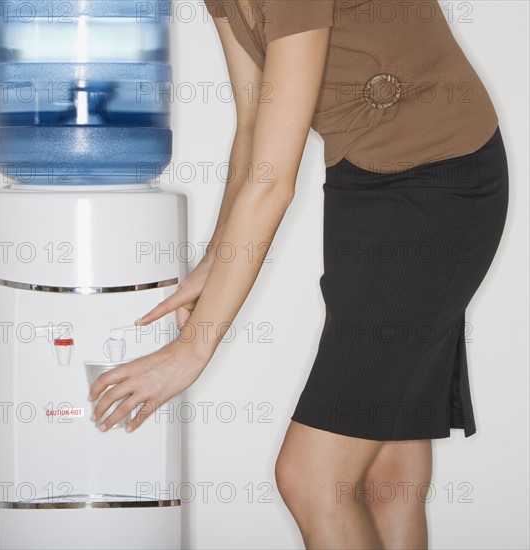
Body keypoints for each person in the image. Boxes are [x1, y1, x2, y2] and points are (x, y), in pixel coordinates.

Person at [88, 1, 509, 547]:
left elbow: (272, 185)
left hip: (439, 184)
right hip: (363, 180)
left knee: (313, 480)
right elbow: (253, 122)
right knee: (386, 469)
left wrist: (192, 351)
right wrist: (216, 257)